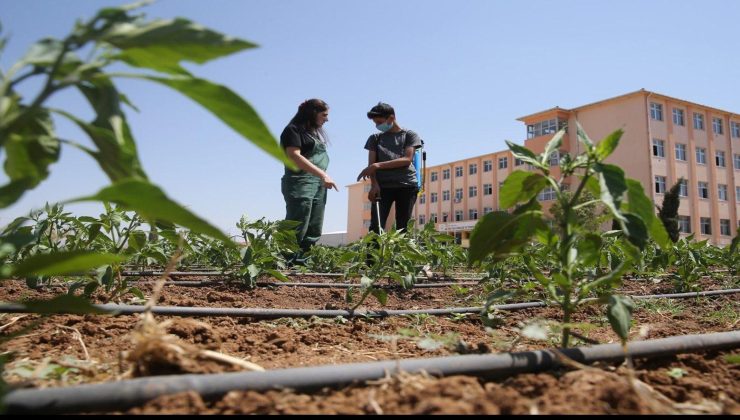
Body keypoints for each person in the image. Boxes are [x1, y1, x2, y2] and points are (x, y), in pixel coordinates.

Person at [280, 99, 338, 263]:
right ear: (313, 113)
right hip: (300, 181)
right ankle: (285, 259)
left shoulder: (312, 135)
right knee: (297, 221)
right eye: (324, 115)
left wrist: (321, 176)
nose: (326, 119)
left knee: (314, 224)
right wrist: (323, 174)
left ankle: (302, 259)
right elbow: (294, 156)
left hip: (318, 183)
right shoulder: (292, 130)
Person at [357, 102, 422, 235]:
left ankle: (399, 255)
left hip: (406, 185)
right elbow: (371, 166)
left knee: (403, 227)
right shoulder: (375, 138)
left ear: (391, 118)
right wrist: (374, 185)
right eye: (375, 123)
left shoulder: (409, 135)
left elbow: (407, 159)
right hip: (383, 187)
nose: (377, 126)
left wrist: (378, 165)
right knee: (376, 226)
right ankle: (372, 256)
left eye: (380, 122)